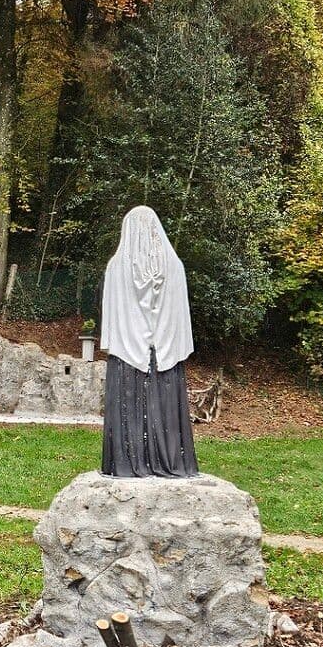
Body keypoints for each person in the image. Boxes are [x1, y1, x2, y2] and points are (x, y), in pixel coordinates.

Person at [100, 205, 199, 478]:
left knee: (130, 405)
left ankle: (128, 463)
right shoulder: (174, 267)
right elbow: (178, 315)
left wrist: (122, 338)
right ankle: (171, 461)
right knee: (163, 407)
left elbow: (112, 314)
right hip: (165, 354)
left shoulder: (117, 267)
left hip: (126, 352)